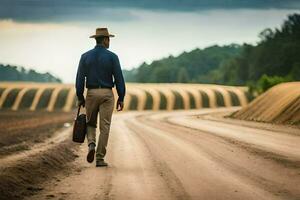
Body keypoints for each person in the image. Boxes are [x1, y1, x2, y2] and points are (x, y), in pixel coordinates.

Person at [75, 27, 126, 167]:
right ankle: (99, 158)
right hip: (107, 94)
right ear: (104, 40)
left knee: (90, 123)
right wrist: (121, 97)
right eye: (109, 39)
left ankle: (91, 144)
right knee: (105, 127)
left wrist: (80, 96)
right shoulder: (112, 57)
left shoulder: (85, 56)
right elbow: (119, 79)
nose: (109, 42)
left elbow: (80, 79)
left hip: (91, 93)